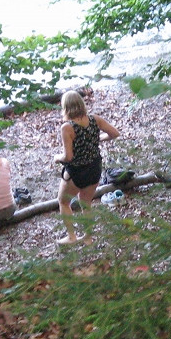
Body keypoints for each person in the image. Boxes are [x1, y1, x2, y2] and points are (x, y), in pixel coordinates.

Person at [54, 91, 121, 244]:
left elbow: (68, 157)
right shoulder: (95, 119)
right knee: (86, 203)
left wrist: (57, 158)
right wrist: (97, 140)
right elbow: (114, 133)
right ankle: (88, 237)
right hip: (95, 168)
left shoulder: (67, 128)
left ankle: (71, 237)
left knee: (63, 202)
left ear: (65, 107)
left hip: (78, 172)